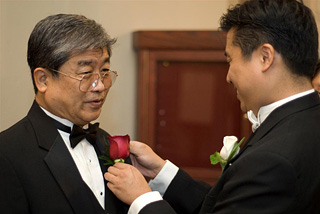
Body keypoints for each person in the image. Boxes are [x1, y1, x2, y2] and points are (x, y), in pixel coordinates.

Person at [104, 0, 320, 213]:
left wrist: (142, 199)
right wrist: (162, 172)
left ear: (265, 57)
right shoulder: (308, 119)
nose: (228, 77)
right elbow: (232, 203)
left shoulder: (272, 159)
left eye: (230, 60)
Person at [0, 14, 130, 214]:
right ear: (43, 79)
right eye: (86, 73)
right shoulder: (7, 153)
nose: (100, 85)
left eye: (104, 70)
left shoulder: (109, 144)